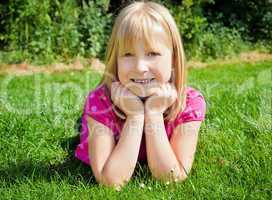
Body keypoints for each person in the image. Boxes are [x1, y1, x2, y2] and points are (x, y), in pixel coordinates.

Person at [75, 1, 206, 189]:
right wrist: (135, 116)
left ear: (173, 59)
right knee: (88, 128)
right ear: (115, 58)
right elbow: (111, 182)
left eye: (152, 53)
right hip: (106, 119)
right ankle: (84, 124)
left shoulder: (190, 103)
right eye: (128, 54)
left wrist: (153, 114)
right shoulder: (100, 101)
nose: (140, 67)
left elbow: (171, 177)